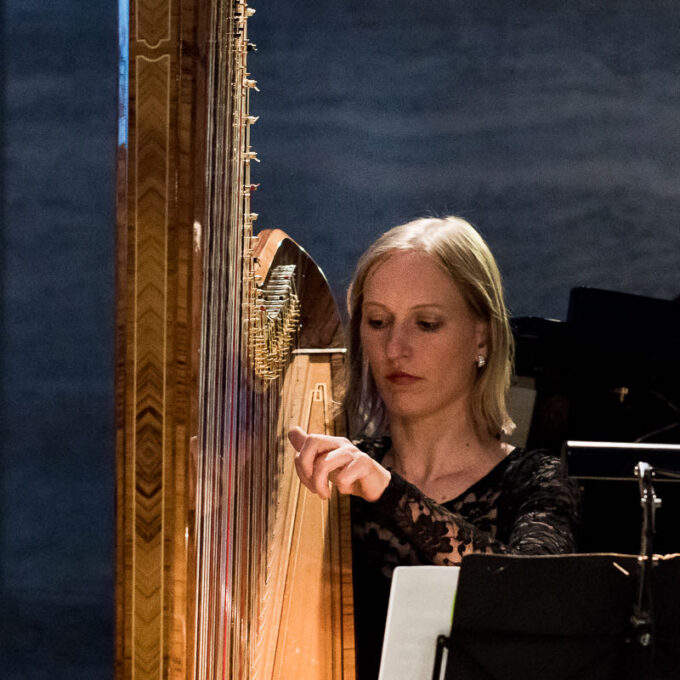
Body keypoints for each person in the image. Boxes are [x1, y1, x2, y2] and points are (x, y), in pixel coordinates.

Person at [287, 216, 581, 679]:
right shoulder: (330, 476)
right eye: (378, 321)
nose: (395, 347)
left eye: (426, 324)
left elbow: (530, 595)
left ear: (480, 336)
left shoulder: (534, 481)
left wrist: (389, 494)